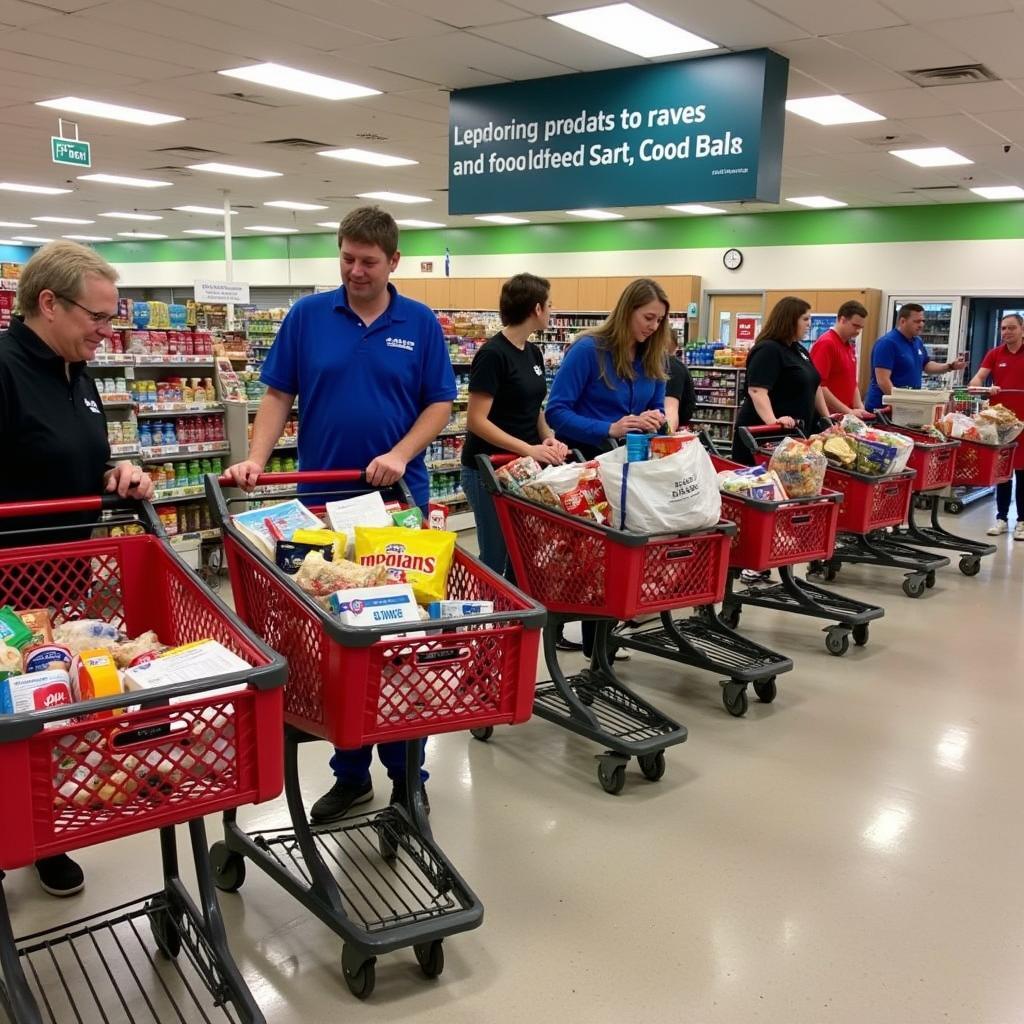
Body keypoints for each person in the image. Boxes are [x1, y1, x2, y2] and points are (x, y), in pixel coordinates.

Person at [226, 207, 456, 824]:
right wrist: (254, 459)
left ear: (394, 262)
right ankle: (350, 773)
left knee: (401, 644)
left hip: (397, 508)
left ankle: (410, 777)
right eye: (347, 258)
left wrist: (401, 453)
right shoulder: (307, 316)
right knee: (333, 644)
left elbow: (439, 403)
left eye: (368, 262)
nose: (355, 271)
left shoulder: (421, 323)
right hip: (321, 509)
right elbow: (277, 395)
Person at [0, 240, 154, 897]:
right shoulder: (3, 370)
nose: (107, 331)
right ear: (48, 304)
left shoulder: (77, 370)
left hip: (64, 584)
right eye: (99, 317)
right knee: (6, 719)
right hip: (6, 587)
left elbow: (67, 456)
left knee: (56, 714)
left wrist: (113, 473)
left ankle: (44, 836)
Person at [545, 278, 670, 658]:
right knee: (585, 562)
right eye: (648, 317)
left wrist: (653, 419)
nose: (653, 326)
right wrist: (609, 428)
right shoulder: (589, 350)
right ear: (627, 310)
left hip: (631, 472)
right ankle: (580, 640)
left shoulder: (654, 355)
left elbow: (661, 408)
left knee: (616, 561)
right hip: (588, 470)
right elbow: (556, 411)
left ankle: (600, 644)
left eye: (660, 321)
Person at [460, 273, 568, 577]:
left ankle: (518, 621)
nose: (551, 310)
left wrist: (547, 439)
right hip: (488, 470)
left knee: (522, 556)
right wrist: (528, 449)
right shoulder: (493, 354)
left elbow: (534, 407)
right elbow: (476, 421)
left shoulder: (532, 352)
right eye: (549, 304)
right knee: (496, 557)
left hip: (521, 470)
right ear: (536, 309)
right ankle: (490, 622)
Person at [732, 296, 831, 465]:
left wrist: (827, 420)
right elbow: (756, 391)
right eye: (805, 319)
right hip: (765, 437)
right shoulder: (768, 349)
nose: (809, 324)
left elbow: (815, 386)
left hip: (794, 435)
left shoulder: (798, 349)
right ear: (789, 320)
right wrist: (773, 422)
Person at [968, 313, 1024, 539]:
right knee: (1003, 473)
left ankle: (1022, 521)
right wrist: (983, 387)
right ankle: (1001, 518)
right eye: (1003, 328)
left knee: (1023, 473)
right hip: (1001, 424)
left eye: (1011, 328)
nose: (1006, 332)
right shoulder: (994, 354)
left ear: (1022, 329)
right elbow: (976, 381)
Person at [864, 303, 965, 411]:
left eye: (923, 321)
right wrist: (899, 404)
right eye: (917, 321)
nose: (921, 324)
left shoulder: (917, 341)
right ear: (902, 321)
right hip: (884, 408)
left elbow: (926, 365)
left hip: (907, 406)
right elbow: (883, 380)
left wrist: (950, 366)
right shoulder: (887, 343)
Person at [810, 300, 869, 417]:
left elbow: (852, 381)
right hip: (828, 415)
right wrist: (848, 411)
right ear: (842, 320)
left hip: (845, 415)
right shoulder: (826, 344)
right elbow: (819, 386)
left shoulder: (849, 345)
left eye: (861, 328)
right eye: (855, 326)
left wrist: (859, 407)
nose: (858, 331)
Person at [665, 344, 696, 432]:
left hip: (674, 428)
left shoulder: (671, 367)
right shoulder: (674, 365)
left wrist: (666, 435)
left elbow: (670, 410)